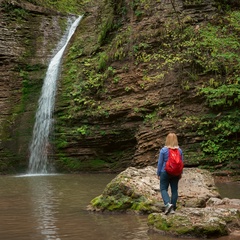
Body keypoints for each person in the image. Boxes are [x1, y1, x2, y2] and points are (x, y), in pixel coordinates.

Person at [157, 133, 184, 215]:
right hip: (176, 173)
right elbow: (181, 163)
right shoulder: (179, 151)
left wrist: (158, 173)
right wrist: (180, 173)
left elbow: (160, 163)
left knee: (163, 189)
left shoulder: (164, 150)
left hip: (165, 171)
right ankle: (173, 208)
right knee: (174, 190)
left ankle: (168, 204)